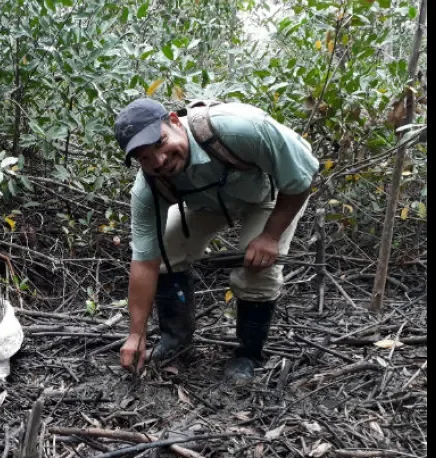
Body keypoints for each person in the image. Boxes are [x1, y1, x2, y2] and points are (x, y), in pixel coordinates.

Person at [114, 97, 319, 382]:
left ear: (174, 121)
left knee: (256, 268)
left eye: (160, 143)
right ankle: (176, 344)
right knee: (166, 253)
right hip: (208, 203)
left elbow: (301, 177)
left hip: (269, 195)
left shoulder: (241, 129)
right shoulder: (148, 187)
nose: (158, 161)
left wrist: (270, 236)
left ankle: (249, 354)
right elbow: (145, 260)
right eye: (144, 158)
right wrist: (136, 335)